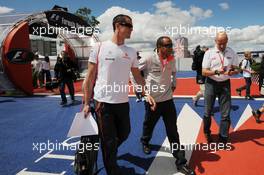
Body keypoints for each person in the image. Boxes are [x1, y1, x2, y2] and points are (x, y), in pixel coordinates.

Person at [82, 14, 156, 175]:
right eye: (128, 25)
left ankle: (110, 151)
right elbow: (89, 77)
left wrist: (146, 93)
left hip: (122, 102)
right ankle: (112, 168)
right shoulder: (99, 47)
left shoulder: (131, 51)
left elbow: (137, 76)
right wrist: (87, 103)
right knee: (109, 142)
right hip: (103, 102)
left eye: (131, 26)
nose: (131, 29)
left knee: (125, 133)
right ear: (117, 26)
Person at [139, 36, 195, 175]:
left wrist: (174, 83)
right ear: (159, 47)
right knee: (149, 124)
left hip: (168, 101)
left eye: (171, 45)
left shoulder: (171, 59)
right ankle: (145, 141)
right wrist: (143, 92)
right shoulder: (148, 58)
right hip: (153, 102)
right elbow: (133, 72)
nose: (171, 48)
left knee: (172, 131)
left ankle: (180, 161)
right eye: (168, 46)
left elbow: (174, 72)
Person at [202, 31, 240, 144]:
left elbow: (236, 68)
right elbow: (204, 72)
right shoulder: (209, 53)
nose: (222, 45)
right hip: (211, 83)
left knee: (225, 113)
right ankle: (207, 132)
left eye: (224, 43)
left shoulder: (232, 52)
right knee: (208, 112)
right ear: (215, 41)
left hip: (225, 84)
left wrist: (233, 72)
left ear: (227, 41)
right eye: (220, 43)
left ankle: (223, 137)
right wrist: (216, 71)